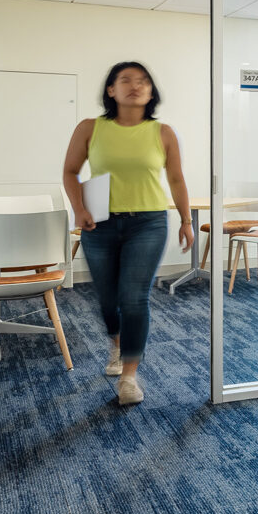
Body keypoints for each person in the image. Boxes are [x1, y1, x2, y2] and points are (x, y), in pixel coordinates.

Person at [62, 61, 193, 407]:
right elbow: (70, 171)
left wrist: (186, 220)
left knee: (134, 298)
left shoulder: (163, 133)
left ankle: (129, 376)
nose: (135, 86)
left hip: (148, 224)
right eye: (126, 80)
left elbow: (176, 179)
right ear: (111, 89)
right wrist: (79, 208)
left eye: (143, 81)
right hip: (99, 224)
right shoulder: (90, 128)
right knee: (108, 299)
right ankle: (117, 344)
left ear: (151, 91)